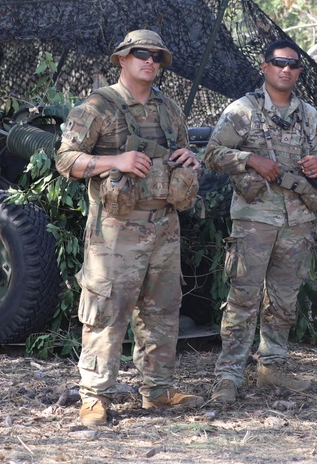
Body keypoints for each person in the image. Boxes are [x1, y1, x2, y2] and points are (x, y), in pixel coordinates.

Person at [56, 29, 204, 428]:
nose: (150, 61)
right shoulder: (98, 106)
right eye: (142, 54)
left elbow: (181, 152)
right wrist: (115, 161)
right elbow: (66, 160)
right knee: (106, 311)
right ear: (122, 58)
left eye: (157, 56)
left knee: (162, 312)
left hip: (164, 225)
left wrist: (188, 158)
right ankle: (95, 397)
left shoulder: (169, 109)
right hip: (116, 229)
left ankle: (157, 391)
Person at [204, 39, 317, 405]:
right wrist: (250, 160)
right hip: (254, 220)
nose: (286, 70)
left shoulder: (311, 115)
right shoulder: (242, 111)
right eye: (279, 63)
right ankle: (228, 375)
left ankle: (272, 365)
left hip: (298, 219)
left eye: (293, 65)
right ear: (264, 67)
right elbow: (212, 154)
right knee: (243, 298)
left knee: (284, 300)